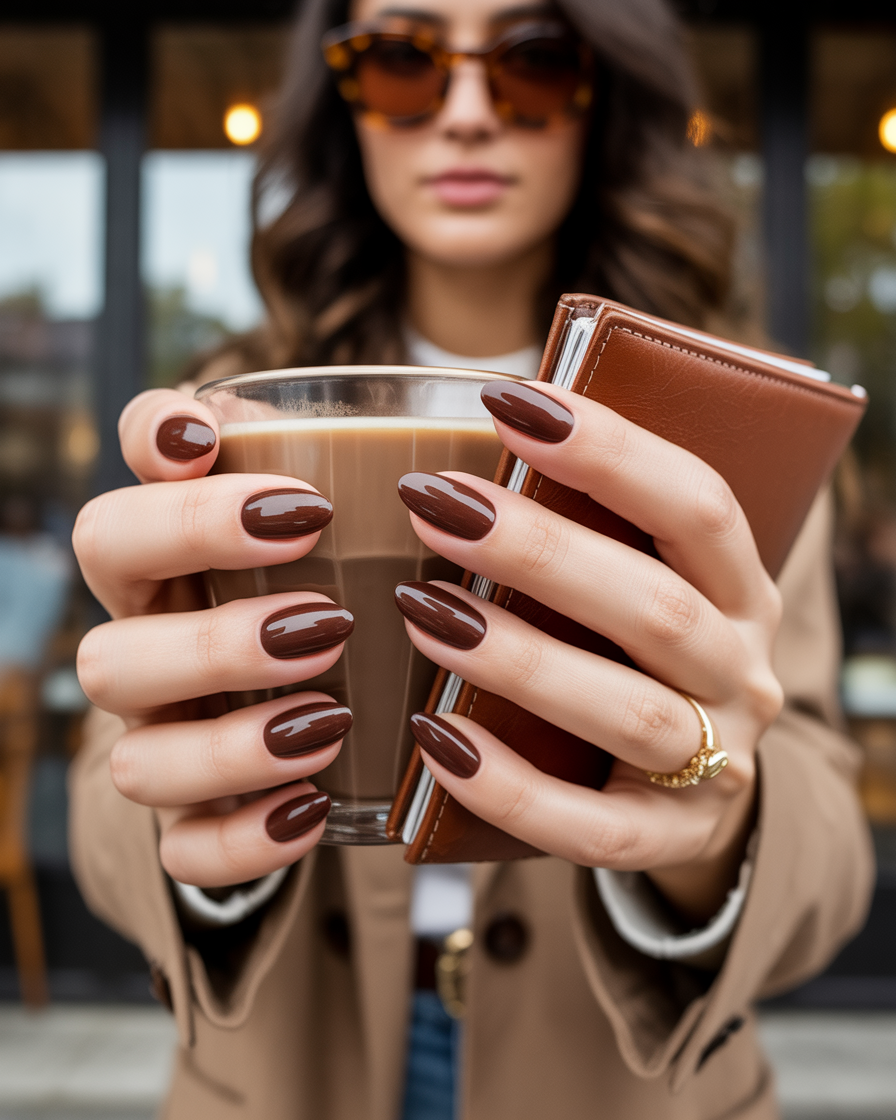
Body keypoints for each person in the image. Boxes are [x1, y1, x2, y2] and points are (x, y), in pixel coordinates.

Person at [69, 0, 873, 1117]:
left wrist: (714, 816)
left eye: (530, 63)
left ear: (600, 95)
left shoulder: (723, 428)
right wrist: (180, 801)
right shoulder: (229, 405)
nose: (461, 115)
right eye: (401, 59)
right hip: (283, 1073)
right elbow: (105, 784)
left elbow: (828, 841)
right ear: (343, 99)